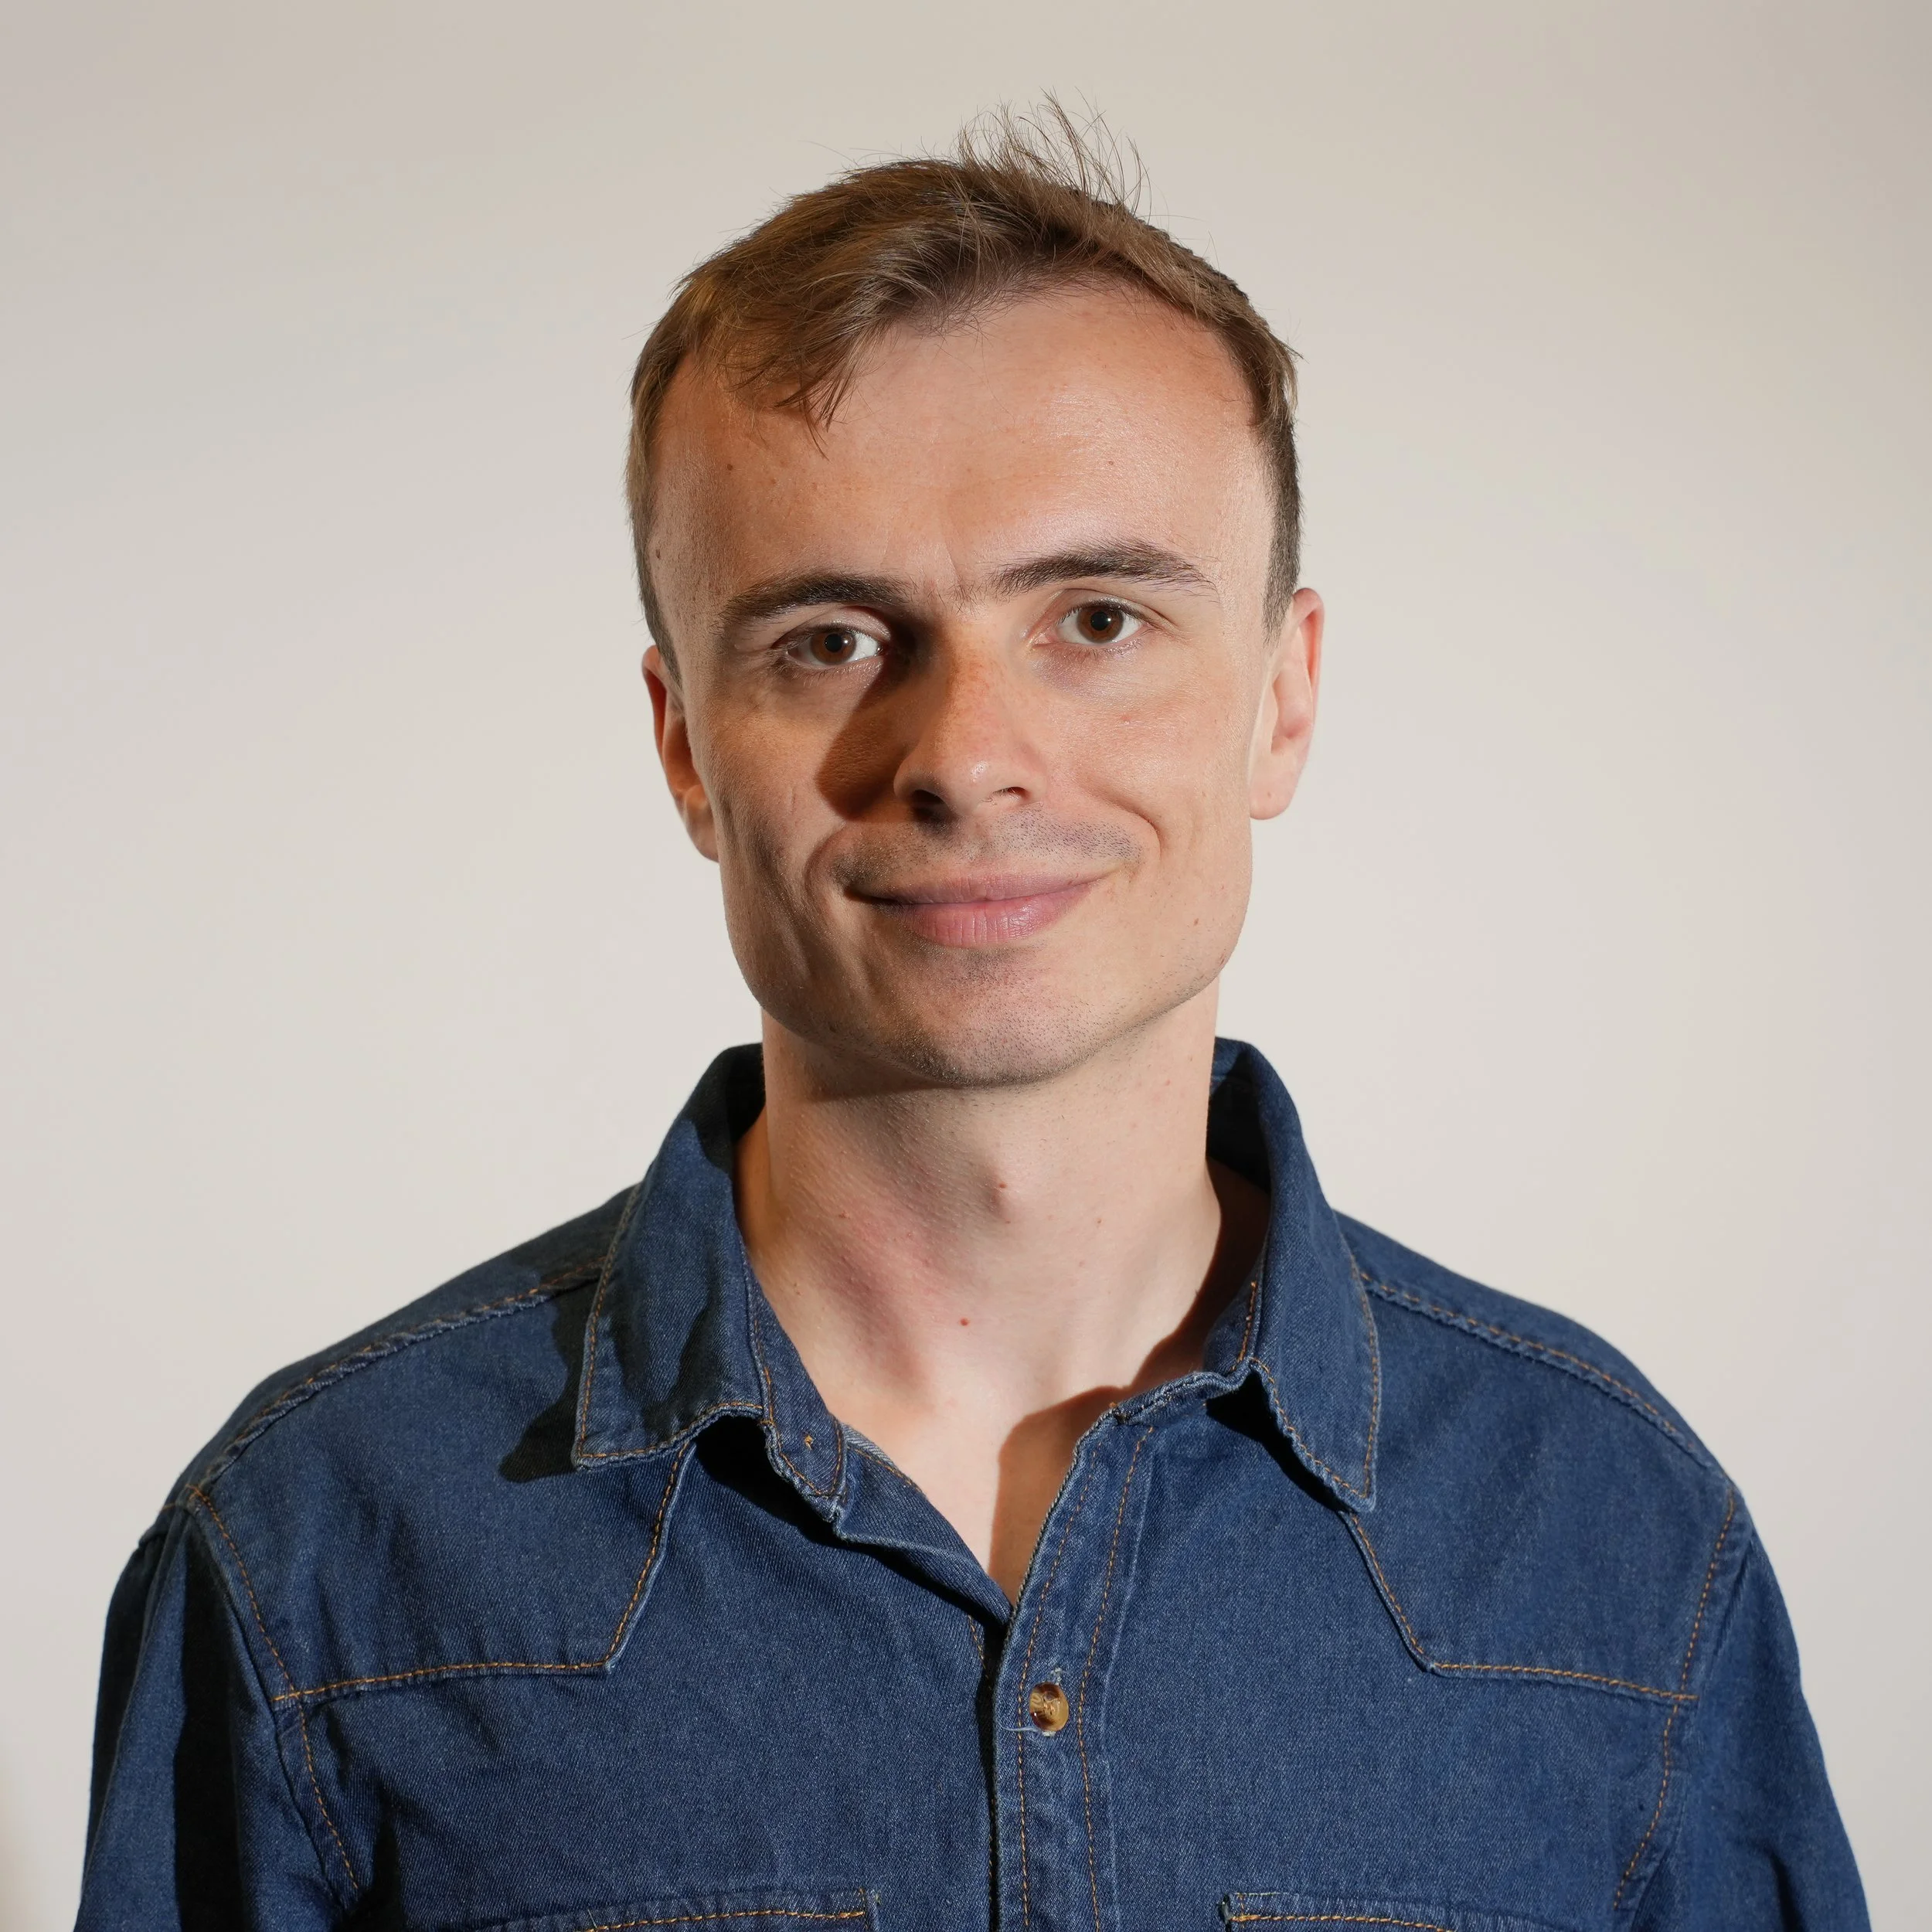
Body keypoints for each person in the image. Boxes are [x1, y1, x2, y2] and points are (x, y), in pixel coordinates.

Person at [78, 109, 1866, 1932]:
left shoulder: (1612, 1538)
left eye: (1095, 616)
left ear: (1282, 695)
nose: (962, 758)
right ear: (685, 741)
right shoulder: (318, 1553)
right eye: (830, 641)